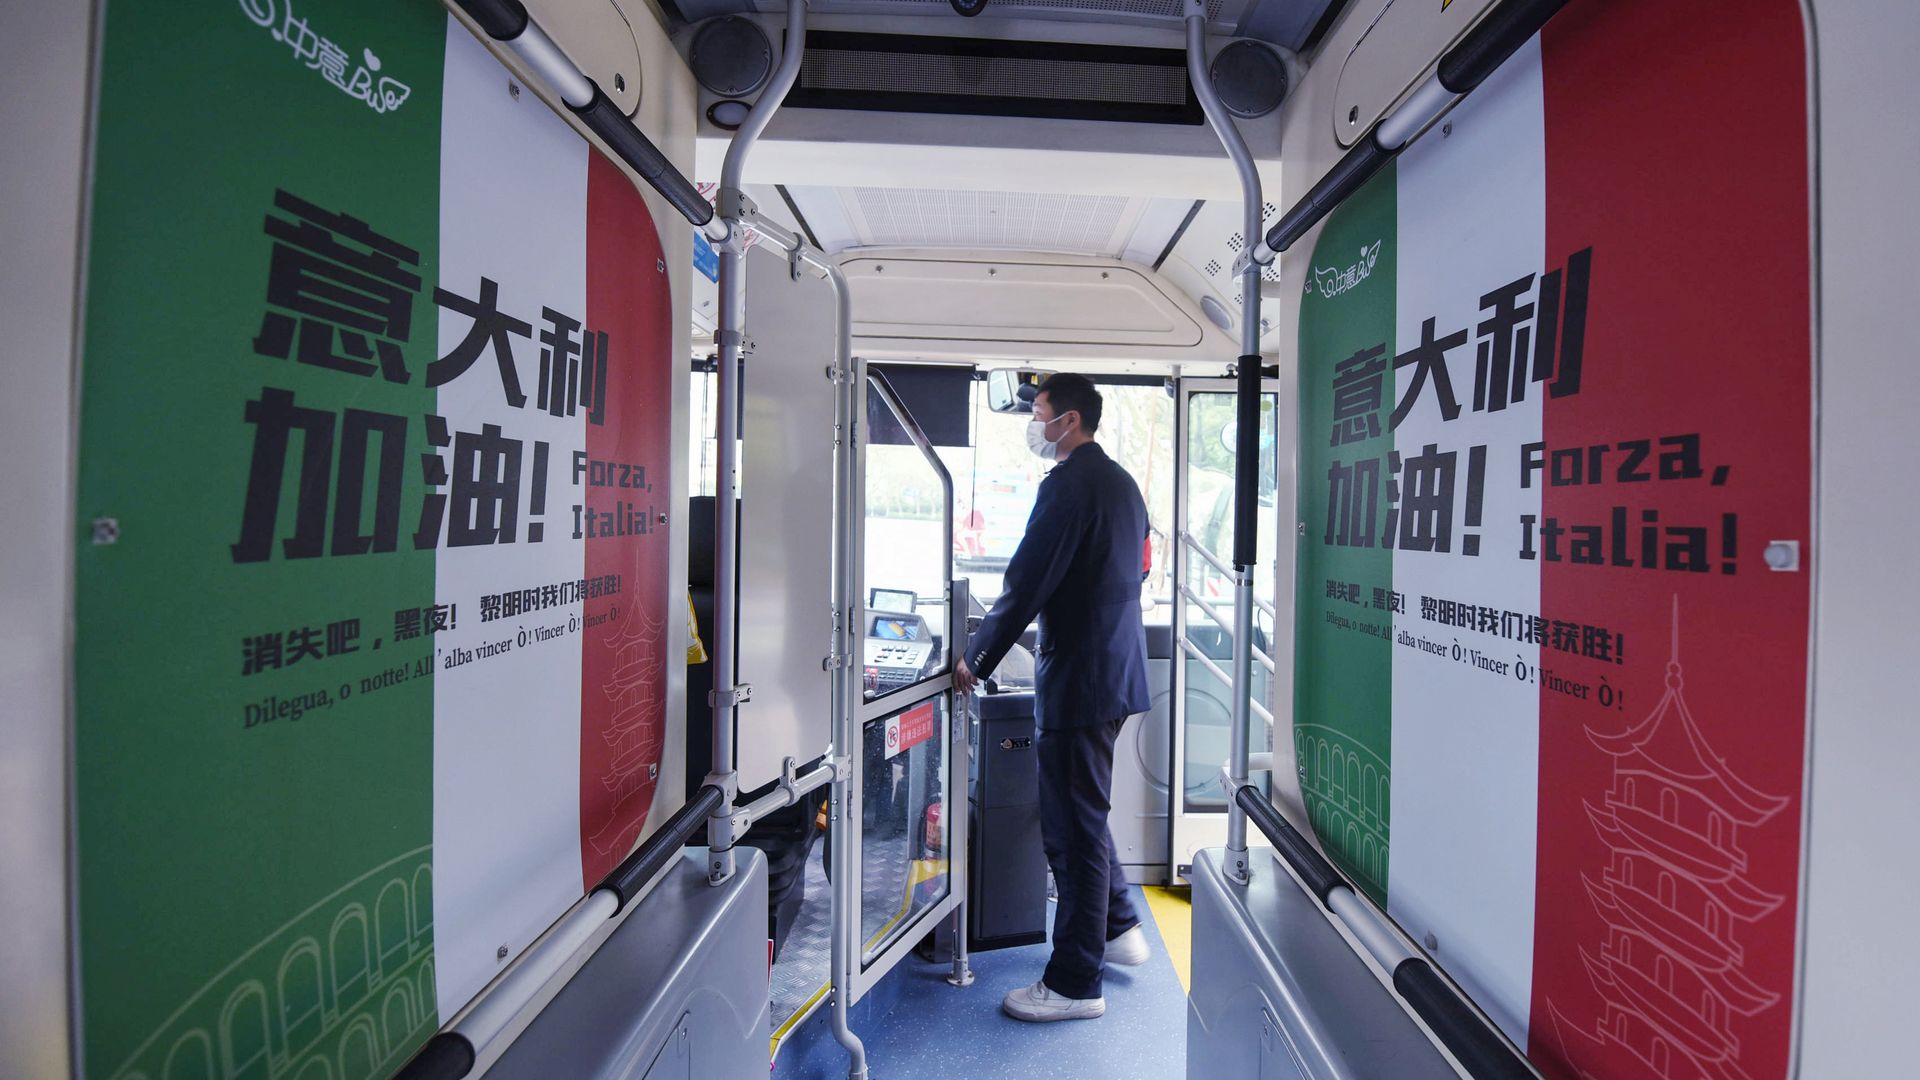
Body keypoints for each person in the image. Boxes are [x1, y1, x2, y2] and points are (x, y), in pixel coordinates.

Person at [955, 372, 1152, 1023]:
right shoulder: (1122, 484)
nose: (1032, 426)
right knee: (1085, 815)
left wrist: (977, 659)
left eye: (1037, 413)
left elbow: (1027, 581)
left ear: (1067, 420)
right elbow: (1140, 565)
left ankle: (1074, 983)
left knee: (1070, 833)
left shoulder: (1068, 485)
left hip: (1082, 681)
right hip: (1118, 673)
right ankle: (1119, 928)